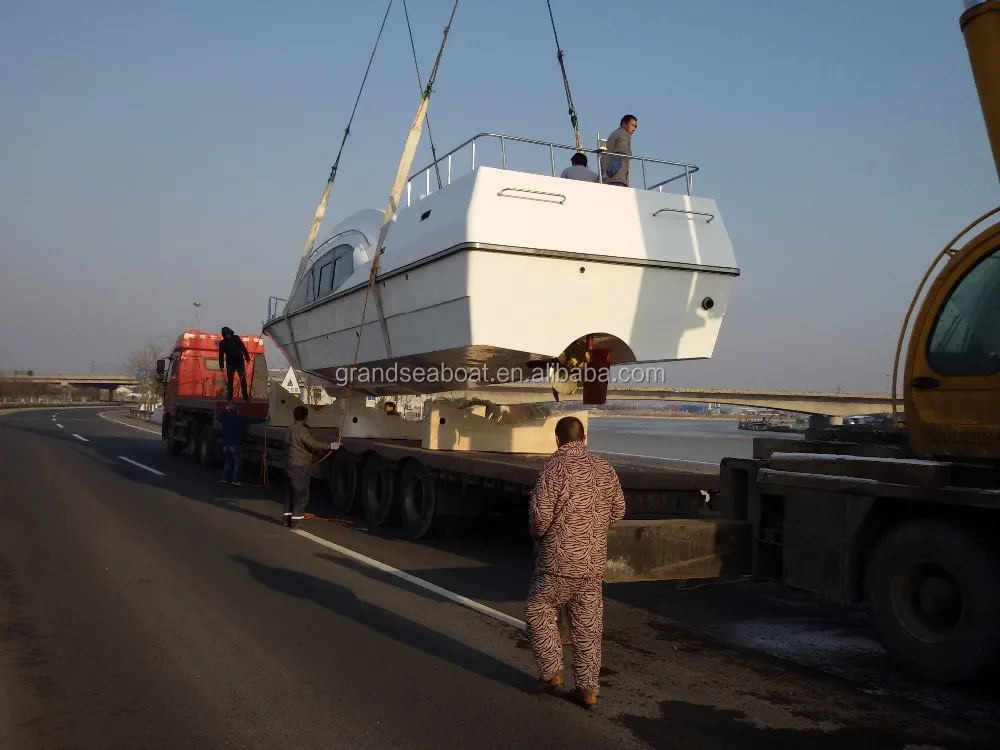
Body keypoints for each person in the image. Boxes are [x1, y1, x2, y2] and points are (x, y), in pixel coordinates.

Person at [524, 416, 626, 708]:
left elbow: (540, 519)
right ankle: (588, 689)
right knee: (588, 627)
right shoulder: (604, 468)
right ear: (584, 439)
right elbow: (618, 510)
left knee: (538, 608)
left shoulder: (553, 469)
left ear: (557, 440)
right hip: (592, 565)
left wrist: (537, 535)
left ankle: (551, 671)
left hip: (558, 563)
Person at [284, 405, 341, 528]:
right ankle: (296, 520)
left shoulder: (290, 428)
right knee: (302, 493)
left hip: (290, 464)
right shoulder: (302, 431)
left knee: (291, 492)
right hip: (300, 466)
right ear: (305, 417)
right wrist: (331, 446)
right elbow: (312, 444)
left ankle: (287, 519)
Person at [217, 403, 267, 485]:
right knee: (238, 462)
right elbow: (253, 420)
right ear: (236, 411)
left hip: (226, 444)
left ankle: (224, 479)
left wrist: (226, 409)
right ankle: (235, 480)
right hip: (235, 444)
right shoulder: (240, 419)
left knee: (227, 463)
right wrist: (264, 419)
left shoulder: (224, 418)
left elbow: (220, 416)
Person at [600, 114, 637, 187]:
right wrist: (609, 174)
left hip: (609, 179)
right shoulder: (623, 134)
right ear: (624, 124)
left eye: (635, 127)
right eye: (632, 125)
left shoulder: (615, 133)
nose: (634, 129)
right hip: (617, 180)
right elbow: (620, 155)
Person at [218, 326, 251, 402]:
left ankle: (245, 396)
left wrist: (247, 357)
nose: (228, 335)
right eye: (226, 334)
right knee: (230, 381)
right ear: (224, 335)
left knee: (243, 379)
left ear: (231, 333)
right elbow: (221, 355)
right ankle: (230, 396)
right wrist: (221, 366)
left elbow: (243, 348)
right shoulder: (222, 343)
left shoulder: (236, 338)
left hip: (240, 363)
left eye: (229, 334)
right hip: (230, 364)